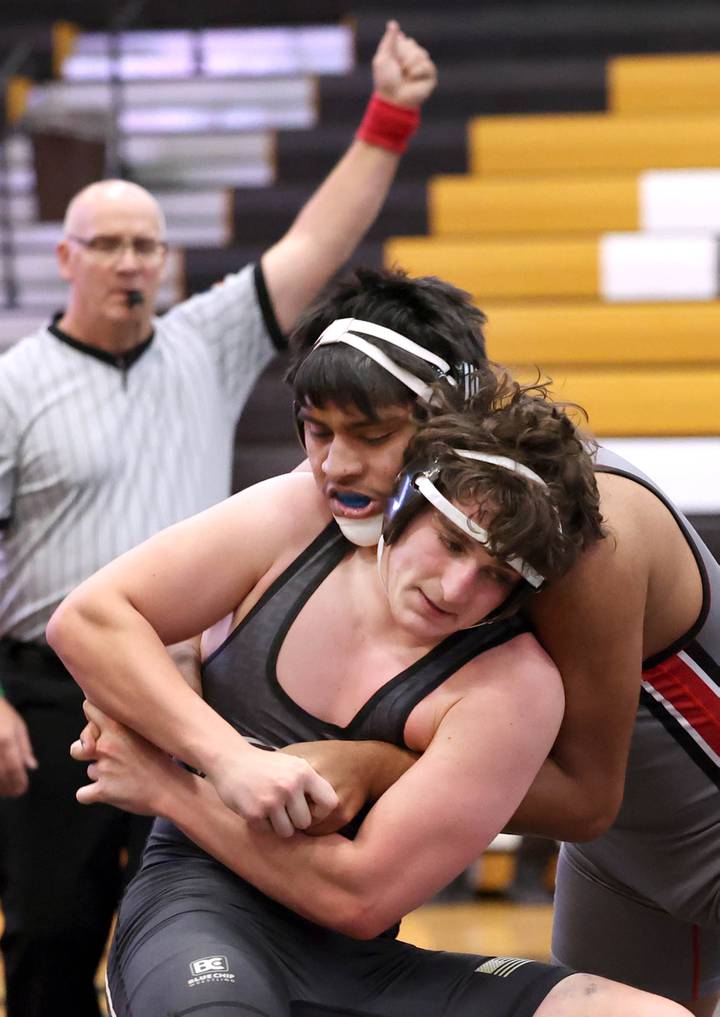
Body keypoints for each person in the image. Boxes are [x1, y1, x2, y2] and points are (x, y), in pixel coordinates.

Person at [0, 22, 438, 1017]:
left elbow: (315, 247)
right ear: (66, 256)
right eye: (108, 244)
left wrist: (388, 117)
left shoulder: (205, 341)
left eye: (146, 244)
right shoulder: (4, 388)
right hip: (51, 687)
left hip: (198, 685)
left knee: (213, 913)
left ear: (167, 258)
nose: (130, 261)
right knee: (51, 929)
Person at [51, 366, 685, 1016]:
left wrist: (169, 786)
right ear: (406, 502)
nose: (456, 588)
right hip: (198, 915)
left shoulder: (514, 684)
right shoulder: (294, 522)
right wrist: (227, 758)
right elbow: (88, 618)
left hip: (363, 961)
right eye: (451, 542)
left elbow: (360, 899)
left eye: (495, 573)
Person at [277, 268, 720, 1017]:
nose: (335, 463)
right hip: (626, 862)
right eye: (319, 429)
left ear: (451, 413)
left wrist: (375, 765)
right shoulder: (387, 490)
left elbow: (584, 795)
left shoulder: (580, 530)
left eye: (373, 432)